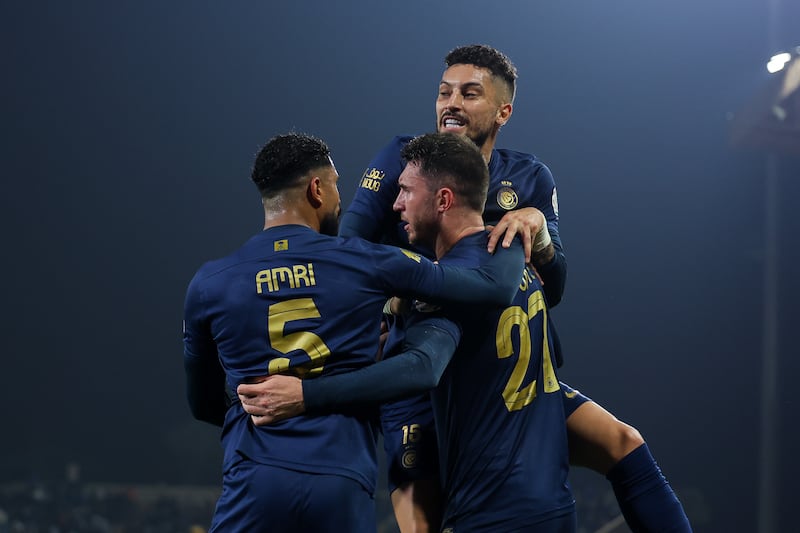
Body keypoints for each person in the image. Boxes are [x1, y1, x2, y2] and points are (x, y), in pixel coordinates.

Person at [240, 45, 692, 533]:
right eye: (444, 92)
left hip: (493, 359)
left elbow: (553, 283)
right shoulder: (403, 156)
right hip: (421, 352)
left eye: (469, 93)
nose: (451, 103)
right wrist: (386, 300)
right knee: (423, 520)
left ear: (503, 111)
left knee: (622, 443)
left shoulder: (529, 177)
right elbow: (351, 248)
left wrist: (538, 227)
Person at [182, 132, 524, 532]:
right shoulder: (368, 262)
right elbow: (492, 287)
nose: (341, 199)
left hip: (253, 480)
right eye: (336, 185)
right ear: (317, 190)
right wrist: (523, 225)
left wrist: (252, 409)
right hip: (339, 480)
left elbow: (202, 404)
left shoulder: (209, 283)